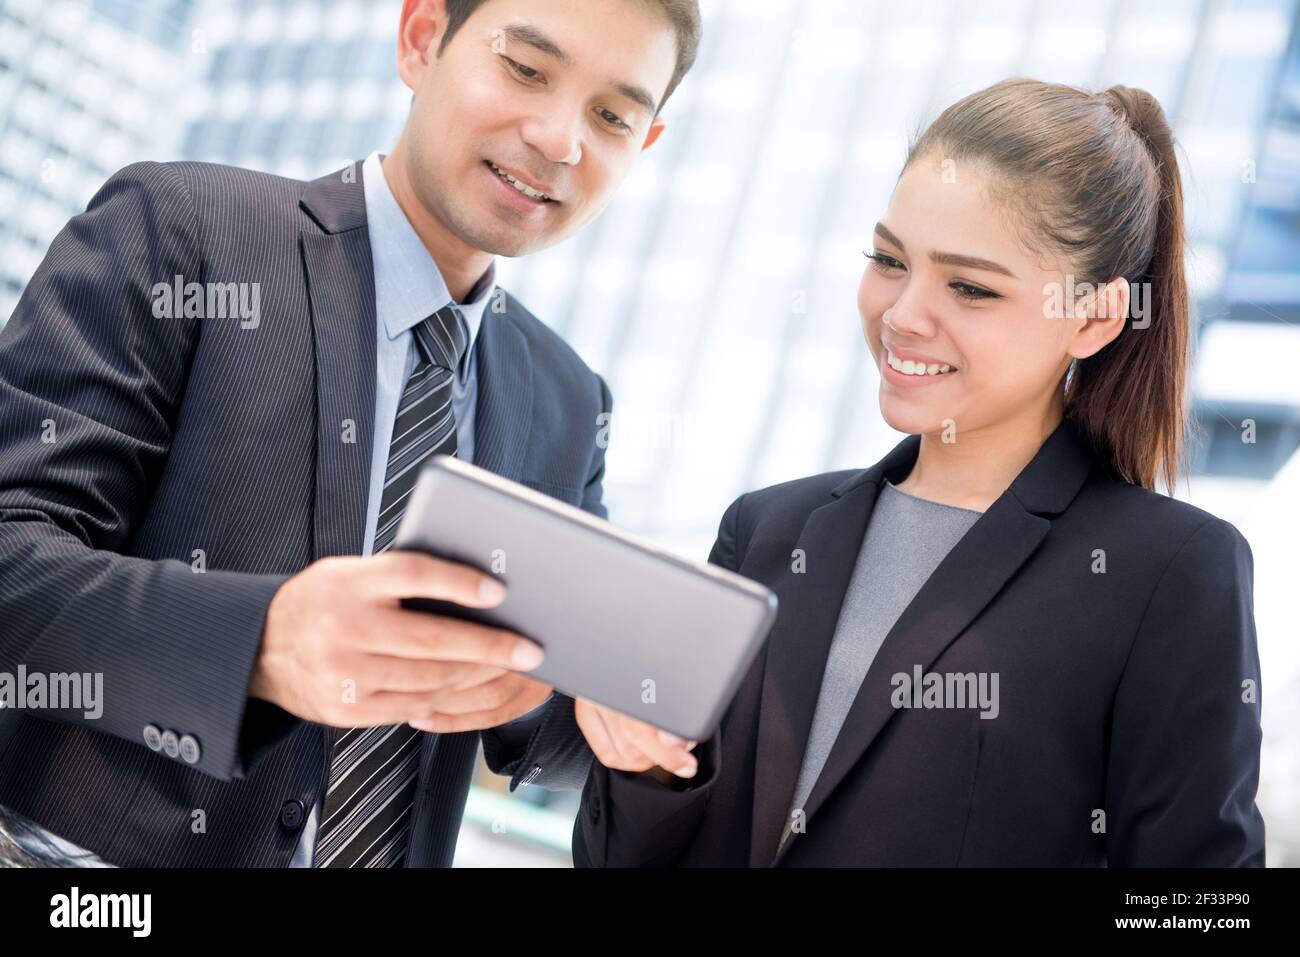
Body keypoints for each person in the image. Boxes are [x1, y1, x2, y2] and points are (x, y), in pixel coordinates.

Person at [0, 0, 701, 868]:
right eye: (526, 69)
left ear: (647, 146)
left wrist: (606, 702)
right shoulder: (184, 230)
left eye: (612, 117)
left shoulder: (566, 398)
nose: (561, 138)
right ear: (420, 40)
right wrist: (260, 643)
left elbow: (547, 730)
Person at [573, 78, 1267, 867]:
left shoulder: (1168, 572)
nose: (903, 313)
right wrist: (649, 766)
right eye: (889, 259)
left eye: (969, 286)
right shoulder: (766, 529)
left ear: (1095, 316)